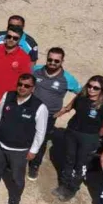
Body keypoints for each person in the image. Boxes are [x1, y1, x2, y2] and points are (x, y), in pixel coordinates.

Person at [0, 73, 48, 204]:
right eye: (20, 84)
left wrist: (33, 151)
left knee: (17, 177)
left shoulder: (40, 107)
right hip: (0, 143)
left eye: (27, 86)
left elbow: (41, 132)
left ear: (33, 89)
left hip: (20, 150)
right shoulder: (7, 96)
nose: (22, 88)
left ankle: (14, 201)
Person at [53, 75, 103, 201]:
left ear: (102, 90)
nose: (91, 89)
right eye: (89, 86)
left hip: (88, 138)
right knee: (69, 159)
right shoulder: (81, 97)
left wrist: (93, 137)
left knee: (81, 165)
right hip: (72, 132)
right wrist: (57, 114)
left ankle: (72, 189)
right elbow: (69, 106)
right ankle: (64, 184)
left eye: (96, 88)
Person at [29, 47, 82, 180]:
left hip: (49, 116)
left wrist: (66, 109)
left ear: (62, 61)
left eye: (56, 61)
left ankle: (34, 165)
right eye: (50, 59)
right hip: (30, 111)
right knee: (24, 135)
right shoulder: (36, 70)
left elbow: (81, 93)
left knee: (41, 140)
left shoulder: (67, 78)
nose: (52, 63)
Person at [0, 27, 33, 96]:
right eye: (9, 36)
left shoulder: (25, 58)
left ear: (19, 40)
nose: (11, 39)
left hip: (9, 98)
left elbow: (25, 80)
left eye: (15, 38)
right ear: (5, 37)